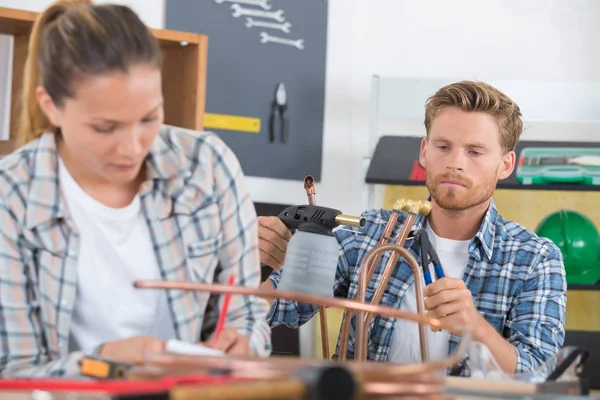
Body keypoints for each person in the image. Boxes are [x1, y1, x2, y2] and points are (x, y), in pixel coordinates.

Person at [0, 0, 271, 377]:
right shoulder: (10, 196)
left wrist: (243, 340)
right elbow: (14, 375)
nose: (132, 148)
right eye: (105, 127)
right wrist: (108, 361)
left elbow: (246, 313)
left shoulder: (207, 167)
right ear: (52, 107)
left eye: (149, 118)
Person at [259, 80, 567, 376]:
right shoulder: (371, 232)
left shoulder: (535, 260)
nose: (455, 163)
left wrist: (476, 327)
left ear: (506, 164)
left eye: (475, 151)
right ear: (424, 151)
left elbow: (539, 377)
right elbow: (273, 307)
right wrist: (255, 260)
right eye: (443, 146)